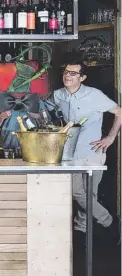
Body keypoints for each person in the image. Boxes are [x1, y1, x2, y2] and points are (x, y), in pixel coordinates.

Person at [43, 60, 122, 235]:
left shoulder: (95, 95)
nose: (67, 76)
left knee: (90, 194)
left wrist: (110, 138)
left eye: (73, 73)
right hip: (70, 153)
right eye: (65, 72)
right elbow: (47, 112)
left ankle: (83, 231)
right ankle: (110, 222)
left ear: (82, 77)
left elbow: (119, 112)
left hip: (92, 151)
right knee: (77, 192)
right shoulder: (58, 95)